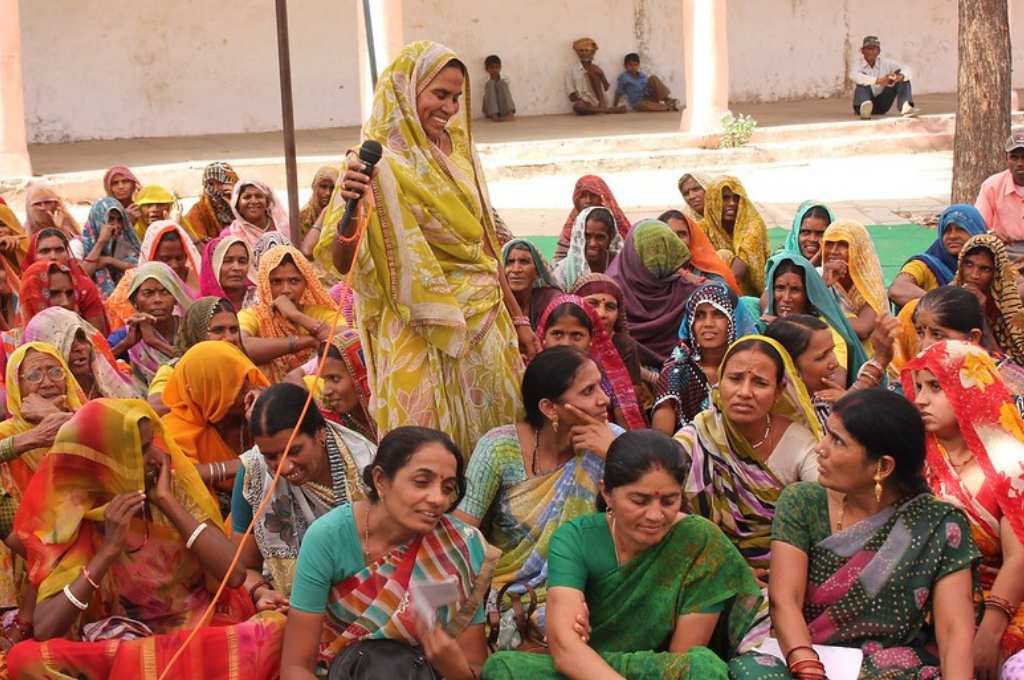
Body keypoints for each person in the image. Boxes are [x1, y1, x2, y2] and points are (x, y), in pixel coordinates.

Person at [327, 41, 532, 456]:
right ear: (407, 91)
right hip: (414, 325)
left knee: (498, 443)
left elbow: (486, 246)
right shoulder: (373, 164)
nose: (451, 107)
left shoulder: (462, 153)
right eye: (440, 94)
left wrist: (520, 320)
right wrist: (351, 209)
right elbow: (341, 261)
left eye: (457, 97)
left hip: (484, 321)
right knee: (420, 450)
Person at [7, 399, 285, 679]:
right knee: (24, 659)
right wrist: (107, 552)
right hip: (122, 647)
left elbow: (234, 575)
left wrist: (166, 502)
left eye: (152, 442)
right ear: (106, 461)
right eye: (139, 450)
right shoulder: (75, 515)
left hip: (199, 633)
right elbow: (45, 628)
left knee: (277, 629)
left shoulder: (170, 489)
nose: (155, 455)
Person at [729, 390, 978, 679]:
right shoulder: (802, 502)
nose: (820, 448)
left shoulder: (938, 524)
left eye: (837, 441)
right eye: (826, 435)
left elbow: (954, 632)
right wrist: (807, 665)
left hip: (889, 665)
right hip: (802, 652)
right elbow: (785, 599)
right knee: (751, 672)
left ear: (882, 467)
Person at [483, 430, 763, 679]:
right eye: (639, 500)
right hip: (589, 667)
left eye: (669, 501)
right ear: (607, 492)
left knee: (703, 668)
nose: (655, 515)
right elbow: (566, 648)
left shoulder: (698, 541)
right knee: (503, 668)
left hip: (654, 670)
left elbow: (682, 659)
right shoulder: (575, 538)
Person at [280, 426, 498, 680]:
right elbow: (295, 668)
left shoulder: (460, 546)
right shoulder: (328, 538)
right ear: (381, 480)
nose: (438, 499)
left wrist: (455, 668)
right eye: (421, 482)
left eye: (448, 488)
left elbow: (474, 665)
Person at [454, 346, 620, 649]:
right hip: (512, 596)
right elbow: (461, 533)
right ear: (549, 408)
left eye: (600, 385)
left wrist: (615, 454)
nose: (604, 399)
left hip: (590, 590)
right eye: (588, 390)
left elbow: (646, 513)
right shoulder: (499, 447)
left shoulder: (612, 441)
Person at [903, 341, 1024, 672]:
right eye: (917, 388)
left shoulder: (1010, 463)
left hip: (1003, 600)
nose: (921, 399)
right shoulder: (912, 459)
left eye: (936, 387)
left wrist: (991, 631)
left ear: (971, 389)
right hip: (923, 599)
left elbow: (1019, 559)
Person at [674, 336, 821, 576]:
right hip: (709, 568)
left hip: (786, 571)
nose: (744, 392)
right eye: (735, 379)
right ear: (719, 381)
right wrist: (729, 567)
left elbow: (824, 507)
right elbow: (665, 509)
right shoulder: (697, 436)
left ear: (779, 391)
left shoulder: (799, 443)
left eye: (760, 383)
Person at [234, 382, 376, 602]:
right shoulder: (254, 472)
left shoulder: (366, 465)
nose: (284, 467)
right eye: (271, 456)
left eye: (294, 451)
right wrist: (261, 592)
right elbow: (244, 568)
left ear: (320, 433)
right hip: (290, 604)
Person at [0, 342, 82, 607]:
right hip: (26, 551)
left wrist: (59, 419)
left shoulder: (86, 417)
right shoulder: (7, 433)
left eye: (55, 372)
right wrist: (34, 438)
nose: (47, 382)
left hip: (86, 544)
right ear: (16, 385)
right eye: (34, 376)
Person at [895, 286, 1024, 412]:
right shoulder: (912, 381)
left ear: (972, 338)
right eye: (920, 333)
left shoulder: (1010, 386)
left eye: (937, 335)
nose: (925, 346)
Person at [162, 341, 269, 492]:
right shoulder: (176, 428)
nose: (247, 389)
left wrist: (266, 415)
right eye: (232, 385)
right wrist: (245, 464)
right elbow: (179, 476)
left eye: (245, 378)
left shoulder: (261, 401)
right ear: (202, 391)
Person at [537, 296, 646, 430]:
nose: (566, 344)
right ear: (543, 339)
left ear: (590, 342)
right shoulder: (530, 377)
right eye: (557, 334)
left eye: (577, 336)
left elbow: (629, 435)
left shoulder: (607, 383)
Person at [653, 283, 746, 434]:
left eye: (718, 314)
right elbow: (661, 439)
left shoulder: (749, 367)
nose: (708, 324)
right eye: (699, 316)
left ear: (734, 320)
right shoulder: (676, 372)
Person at [761, 254, 867, 385]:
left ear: (809, 294)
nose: (786, 298)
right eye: (780, 288)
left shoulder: (825, 330)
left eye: (795, 290)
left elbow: (836, 383)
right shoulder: (762, 324)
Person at [239, 244, 339, 382]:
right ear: (265, 284)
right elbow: (240, 346)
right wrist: (305, 342)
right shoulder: (254, 315)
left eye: (294, 281)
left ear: (306, 283)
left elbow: (347, 342)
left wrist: (296, 316)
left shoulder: (319, 312)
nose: (286, 289)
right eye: (276, 282)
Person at [607, 219, 701, 362]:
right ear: (633, 254)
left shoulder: (688, 291)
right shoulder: (610, 291)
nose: (657, 260)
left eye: (663, 250)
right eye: (649, 253)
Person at [571, 273, 661, 400]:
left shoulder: (623, 345)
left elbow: (630, 398)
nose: (602, 314)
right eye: (592, 304)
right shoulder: (565, 341)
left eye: (610, 307)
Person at [23, 307, 142, 400]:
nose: (79, 348)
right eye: (67, 341)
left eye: (82, 338)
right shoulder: (40, 399)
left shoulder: (110, 385)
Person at [106, 261, 195, 383]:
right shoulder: (124, 335)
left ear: (175, 298)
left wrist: (155, 342)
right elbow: (97, 367)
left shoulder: (190, 329)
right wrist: (126, 344)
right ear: (134, 300)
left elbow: (201, 364)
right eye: (148, 293)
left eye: (165, 292)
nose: (157, 300)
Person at [285, 329, 379, 442]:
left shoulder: (395, 414)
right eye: (324, 380)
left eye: (335, 379)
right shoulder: (332, 427)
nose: (326, 391)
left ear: (362, 374)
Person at [889, 203, 988, 307]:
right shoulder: (925, 264)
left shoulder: (991, 260)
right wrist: (945, 303)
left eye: (960, 229)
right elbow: (897, 289)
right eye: (947, 230)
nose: (952, 236)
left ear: (976, 231)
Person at [954, 233, 1024, 365]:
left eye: (985, 269)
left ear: (996, 274)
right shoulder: (947, 297)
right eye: (968, 264)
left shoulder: (1008, 310)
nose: (974, 275)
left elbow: (1006, 367)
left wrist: (980, 314)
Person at [17, 235, 108, 333]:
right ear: (33, 256)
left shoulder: (84, 286)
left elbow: (97, 334)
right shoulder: (28, 286)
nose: (53, 256)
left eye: (59, 250)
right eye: (45, 251)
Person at [700, 176, 769, 296]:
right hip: (711, 289)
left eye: (736, 198)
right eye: (725, 198)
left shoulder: (753, 224)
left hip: (749, 294)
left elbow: (737, 273)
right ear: (713, 200)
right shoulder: (704, 227)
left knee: (724, 255)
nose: (732, 203)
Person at [822, 219, 887, 341]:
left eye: (843, 244)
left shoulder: (872, 284)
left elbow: (863, 329)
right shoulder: (819, 275)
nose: (833, 251)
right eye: (829, 244)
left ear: (859, 249)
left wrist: (819, 318)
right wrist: (823, 285)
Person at [657, 208, 741, 292]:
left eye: (682, 234)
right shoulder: (651, 271)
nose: (676, 240)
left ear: (692, 238)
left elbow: (725, 293)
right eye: (669, 235)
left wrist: (685, 275)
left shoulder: (705, 266)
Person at [554, 175, 632, 262]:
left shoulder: (615, 224)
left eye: (593, 195)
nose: (588, 200)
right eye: (583, 196)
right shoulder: (571, 227)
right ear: (576, 199)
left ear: (602, 198)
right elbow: (559, 260)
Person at [976, 130, 1024, 260]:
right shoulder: (992, 185)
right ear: (1006, 158)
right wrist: (991, 234)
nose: (1020, 163)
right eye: (1014, 157)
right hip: (1004, 250)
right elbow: (979, 223)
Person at [80, 196, 141, 296]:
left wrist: (110, 261)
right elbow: (79, 276)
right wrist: (101, 243)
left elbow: (140, 268)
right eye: (110, 219)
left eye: (119, 220)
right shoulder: (79, 244)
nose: (116, 225)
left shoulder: (122, 241)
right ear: (99, 219)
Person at [553, 206, 622, 290]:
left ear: (610, 238)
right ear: (578, 237)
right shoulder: (564, 271)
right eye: (586, 236)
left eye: (600, 237)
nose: (593, 244)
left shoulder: (620, 266)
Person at [850, 35, 919, 119]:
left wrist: (899, 77)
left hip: (883, 105)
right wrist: (878, 81)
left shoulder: (886, 63)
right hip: (861, 105)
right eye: (868, 49)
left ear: (878, 51)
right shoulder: (858, 65)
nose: (871, 52)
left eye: (873, 49)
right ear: (862, 51)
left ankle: (906, 107)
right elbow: (854, 75)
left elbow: (908, 69)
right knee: (862, 82)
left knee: (903, 77)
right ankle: (865, 111)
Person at [503, 239, 563, 329]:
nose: (516, 269)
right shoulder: (495, 303)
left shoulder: (550, 300)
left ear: (537, 271)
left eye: (524, 262)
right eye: (510, 262)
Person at [222, 179, 290, 252]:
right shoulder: (230, 234)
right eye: (247, 197)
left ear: (267, 202)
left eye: (258, 196)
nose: (254, 201)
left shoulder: (284, 226)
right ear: (237, 205)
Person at [138, 219, 203, 293]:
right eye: (165, 259)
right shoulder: (139, 289)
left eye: (179, 258)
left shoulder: (199, 279)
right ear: (151, 257)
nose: (175, 265)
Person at [565, 37, 625, 116]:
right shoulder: (572, 70)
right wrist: (581, 100)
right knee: (577, 106)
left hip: (600, 101)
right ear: (577, 52)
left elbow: (606, 87)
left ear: (592, 52)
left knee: (593, 71)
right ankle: (608, 111)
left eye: (587, 50)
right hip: (585, 103)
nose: (584, 53)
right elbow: (571, 97)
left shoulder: (597, 67)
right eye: (581, 51)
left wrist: (601, 73)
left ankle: (601, 108)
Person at [183, 161, 239, 243]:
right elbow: (195, 239)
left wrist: (235, 206)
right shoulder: (199, 211)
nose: (216, 188)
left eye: (221, 183)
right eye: (210, 184)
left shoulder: (245, 203)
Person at [200, 234, 256, 310]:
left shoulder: (261, 299)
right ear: (213, 265)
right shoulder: (200, 308)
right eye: (227, 261)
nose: (236, 268)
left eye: (242, 261)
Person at [612, 52, 678, 112]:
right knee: (644, 105)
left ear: (638, 65)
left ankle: (667, 100)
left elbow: (649, 86)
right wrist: (614, 106)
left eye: (635, 65)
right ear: (625, 66)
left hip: (649, 98)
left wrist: (650, 92)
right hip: (638, 103)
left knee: (653, 78)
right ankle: (667, 107)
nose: (633, 67)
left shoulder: (642, 76)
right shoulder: (624, 77)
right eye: (630, 65)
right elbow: (618, 92)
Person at [781, 201, 833, 266]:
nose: (812, 239)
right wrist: (817, 257)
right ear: (796, 234)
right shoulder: (780, 264)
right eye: (805, 232)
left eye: (820, 233)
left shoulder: (840, 266)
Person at [483, 54, 516, 121]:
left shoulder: (505, 79)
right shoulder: (484, 81)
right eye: (492, 68)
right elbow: (486, 98)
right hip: (490, 111)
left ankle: (510, 113)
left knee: (502, 83)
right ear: (487, 69)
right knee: (490, 84)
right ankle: (494, 115)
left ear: (500, 68)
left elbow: (506, 95)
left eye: (497, 67)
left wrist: (498, 82)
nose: (495, 70)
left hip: (503, 109)